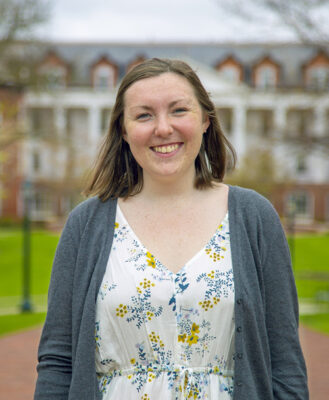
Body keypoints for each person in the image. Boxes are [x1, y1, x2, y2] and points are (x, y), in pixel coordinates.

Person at [34, 58, 308, 400]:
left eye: (179, 110)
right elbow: (58, 362)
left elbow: (285, 363)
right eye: (144, 115)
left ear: (206, 120)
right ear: (123, 129)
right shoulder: (86, 225)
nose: (163, 128)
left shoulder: (253, 217)